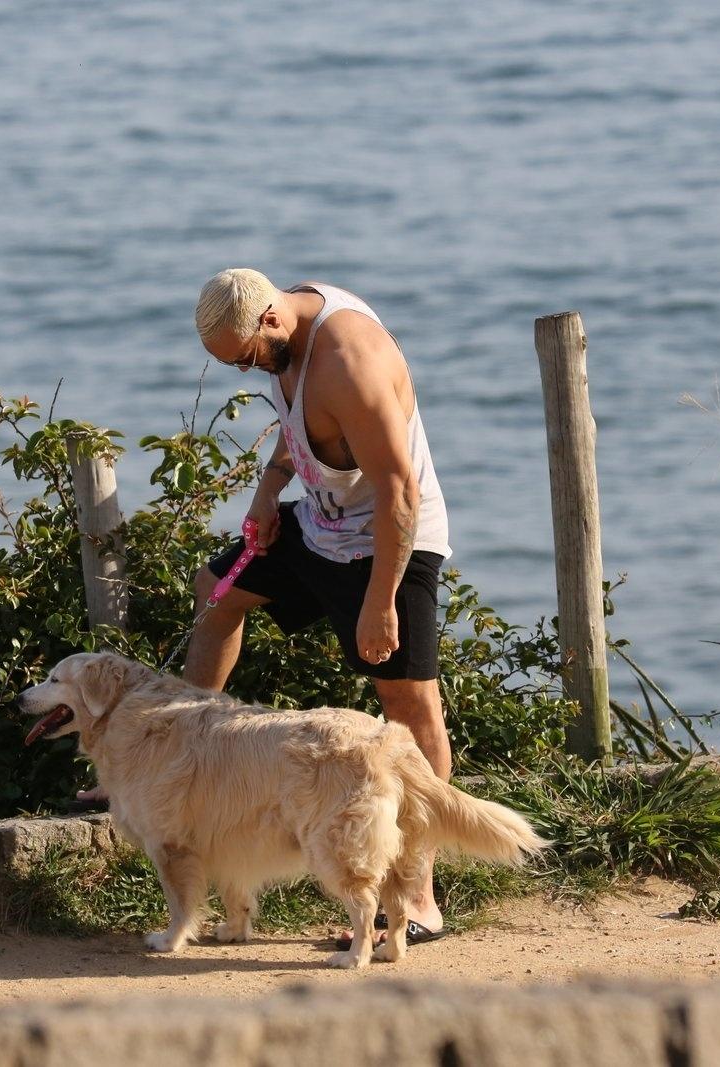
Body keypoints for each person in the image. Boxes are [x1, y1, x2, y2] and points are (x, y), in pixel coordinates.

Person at [194, 267, 455, 945]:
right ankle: (183, 745)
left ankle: (419, 899)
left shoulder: (349, 359)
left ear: (271, 321)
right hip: (320, 528)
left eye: (247, 359)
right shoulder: (288, 333)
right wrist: (266, 495)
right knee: (216, 592)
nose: (249, 374)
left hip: (389, 544)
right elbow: (300, 426)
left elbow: (399, 490)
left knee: (410, 706)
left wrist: (381, 602)